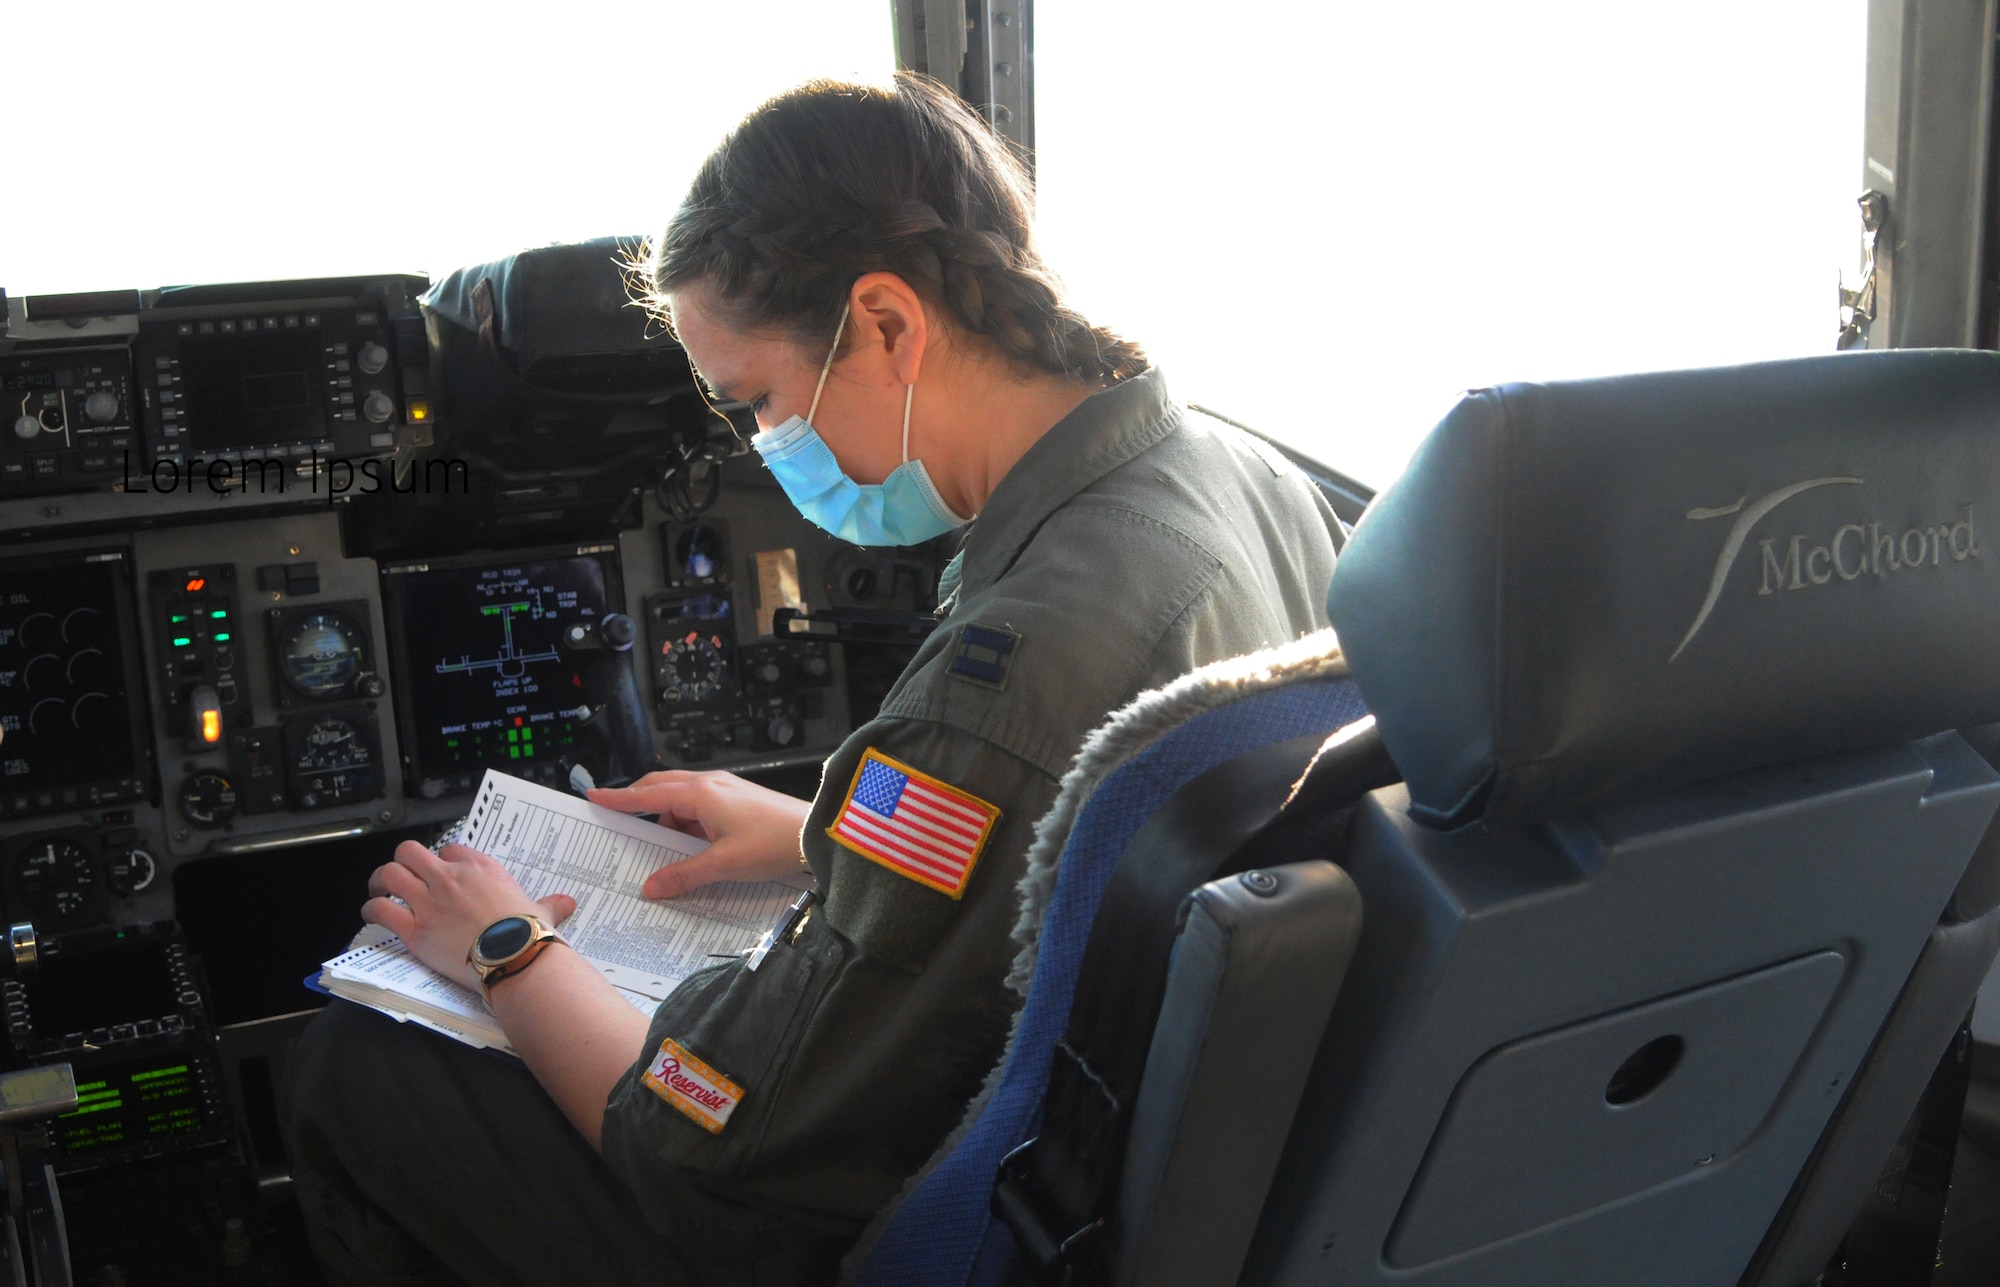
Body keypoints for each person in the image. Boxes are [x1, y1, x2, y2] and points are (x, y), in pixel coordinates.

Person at [283, 72, 1343, 1287]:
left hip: (970, 1222)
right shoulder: (1243, 474)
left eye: (761, 402)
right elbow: (1114, 831)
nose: (767, 444)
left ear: (886, 322)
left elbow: (720, 1149)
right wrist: (819, 831)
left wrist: (510, 953)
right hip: (1157, 1157)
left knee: (359, 1069)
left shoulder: (1021, 665)